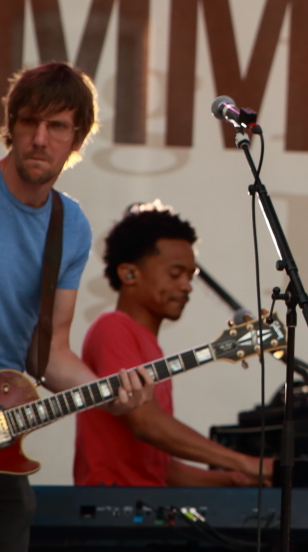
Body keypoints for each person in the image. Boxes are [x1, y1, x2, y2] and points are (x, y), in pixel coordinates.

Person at [0, 62, 151, 552]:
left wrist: (111, 394)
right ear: (11, 125)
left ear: (77, 138)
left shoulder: (69, 225)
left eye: (57, 126)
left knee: (15, 510)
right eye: (29, 122)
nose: (40, 139)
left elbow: (50, 354)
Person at [73, 201, 274, 487]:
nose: (187, 286)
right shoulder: (113, 327)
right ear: (129, 273)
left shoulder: (149, 346)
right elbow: (147, 424)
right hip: (113, 507)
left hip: (144, 504)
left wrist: (233, 479)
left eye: (190, 276)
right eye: (175, 274)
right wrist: (247, 463)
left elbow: (158, 468)